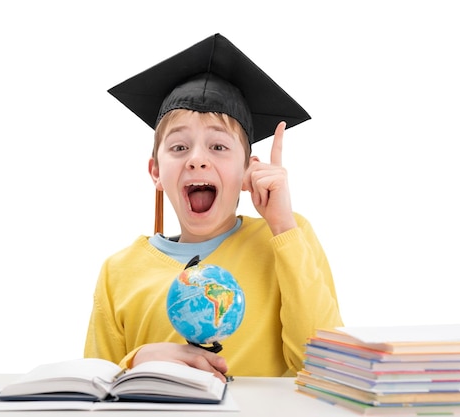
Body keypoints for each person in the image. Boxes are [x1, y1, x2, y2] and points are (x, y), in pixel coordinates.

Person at [84, 33, 343, 382]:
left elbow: (327, 370)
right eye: (178, 147)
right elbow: (90, 387)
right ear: (156, 172)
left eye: (219, 147)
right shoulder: (118, 273)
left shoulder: (287, 237)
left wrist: (283, 227)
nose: (197, 160)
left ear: (247, 170)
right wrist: (138, 359)